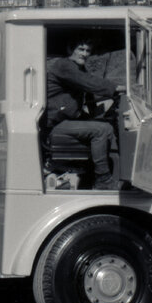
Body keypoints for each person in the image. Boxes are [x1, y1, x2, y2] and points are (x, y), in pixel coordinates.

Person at [46, 39, 122, 190]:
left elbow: (89, 93)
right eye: (81, 49)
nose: (85, 54)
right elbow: (89, 82)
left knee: (106, 125)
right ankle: (104, 180)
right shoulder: (64, 65)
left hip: (64, 120)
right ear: (70, 49)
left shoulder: (78, 69)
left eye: (88, 51)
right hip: (54, 123)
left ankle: (88, 179)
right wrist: (116, 88)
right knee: (102, 130)